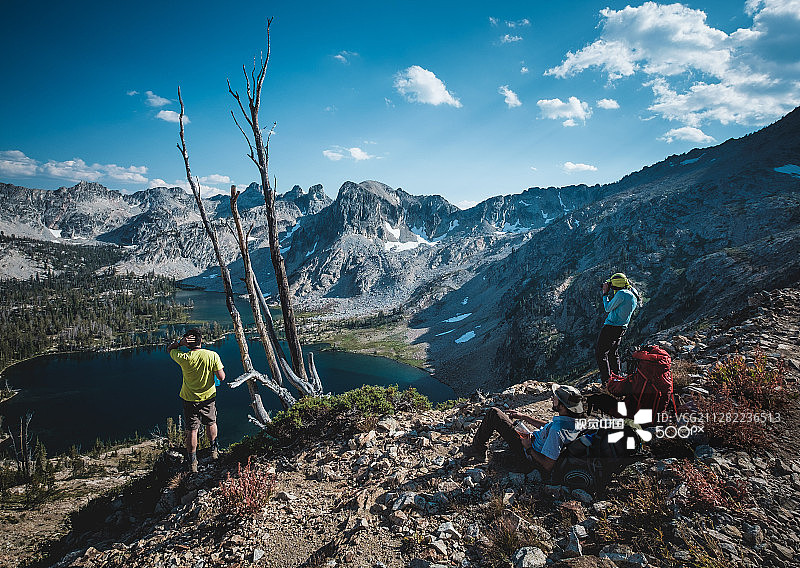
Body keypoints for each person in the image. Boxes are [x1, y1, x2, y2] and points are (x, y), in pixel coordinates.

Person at [463, 384, 583, 474]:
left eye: (555, 397)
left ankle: (477, 450)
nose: (552, 398)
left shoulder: (557, 431)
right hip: (532, 440)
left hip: (527, 452)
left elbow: (547, 466)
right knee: (511, 422)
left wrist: (528, 447)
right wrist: (524, 417)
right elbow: (548, 426)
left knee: (494, 414)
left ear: (562, 405)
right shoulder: (570, 420)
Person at [167, 329, 225, 473]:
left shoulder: (183, 357)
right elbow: (222, 377)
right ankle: (214, 451)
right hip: (208, 398)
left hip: (189, 399)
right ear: (201, 340)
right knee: (211, 423)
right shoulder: (212, 355)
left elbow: (169, 349)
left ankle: (193, 462)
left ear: (188, 343)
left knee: (192, 430)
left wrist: (180, 343)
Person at [596, 272, 639, 386]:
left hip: (611, 326)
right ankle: (617, 377)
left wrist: (605, 293)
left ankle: (606, 381)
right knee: (613, 352)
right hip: (622, 327)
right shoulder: (632, 292)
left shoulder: (621, 294)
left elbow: (607, 308)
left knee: (601, 354)